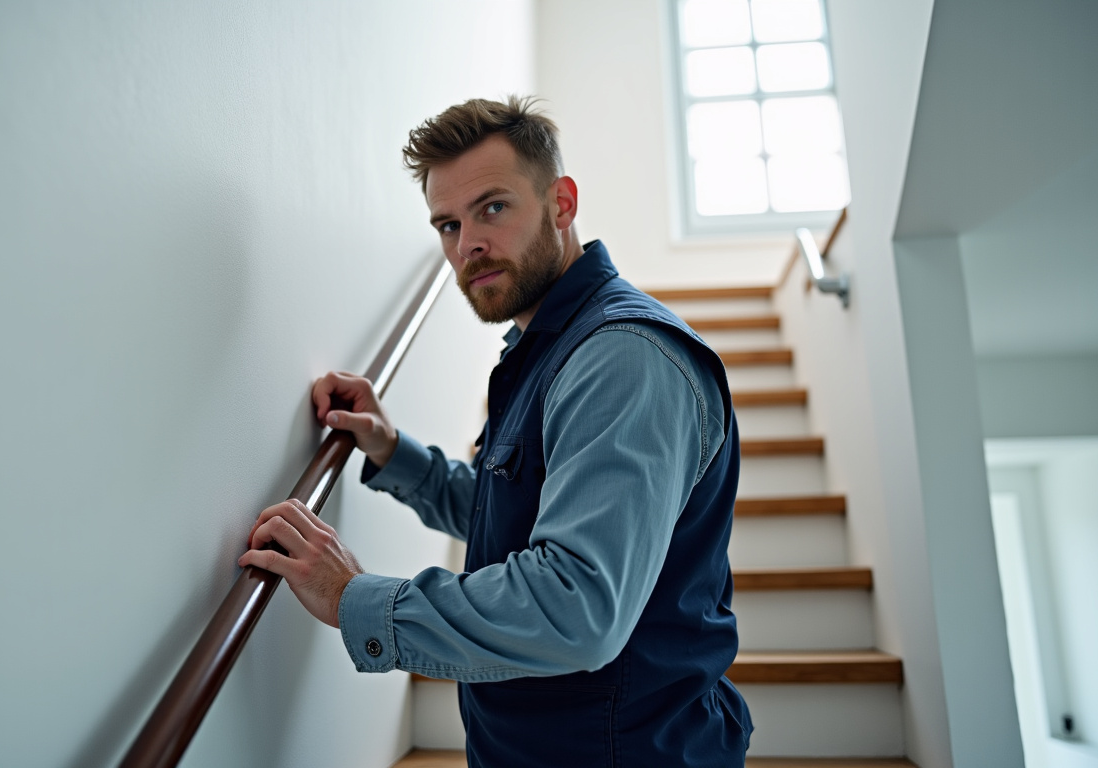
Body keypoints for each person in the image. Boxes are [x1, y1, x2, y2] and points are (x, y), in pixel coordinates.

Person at [238, 96, 752, 767]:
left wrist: (353, 599)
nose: (467, 244)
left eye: (493, 208)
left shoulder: (621, 358)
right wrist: (393, 452)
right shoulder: (544, 350)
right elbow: (510, 511)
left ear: (561, 203)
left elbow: (576, 606)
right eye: (447, 224)